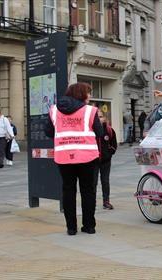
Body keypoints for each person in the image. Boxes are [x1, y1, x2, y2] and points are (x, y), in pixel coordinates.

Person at [45, 82, 103, 236]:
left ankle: (71, 228)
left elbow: (49, 132)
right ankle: (89, 226)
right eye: (88, 92)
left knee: (68, 190)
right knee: (87, 191)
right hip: (87, 156)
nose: (90, 96)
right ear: (81, 94)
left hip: (64, 156)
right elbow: (99, 131)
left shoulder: (54, 110)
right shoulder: (90, 111)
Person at [93, 110, 117, 210]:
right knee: (93, 182)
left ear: (105, 118)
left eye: (101, 116)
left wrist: (109, 153)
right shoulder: (91, 130)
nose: (99, 119)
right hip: (93, 161)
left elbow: (114, 145)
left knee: (105, 181)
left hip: (106, 161)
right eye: (97, 117)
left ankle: (106, 201)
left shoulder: (109, 130)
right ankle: (91, 201)